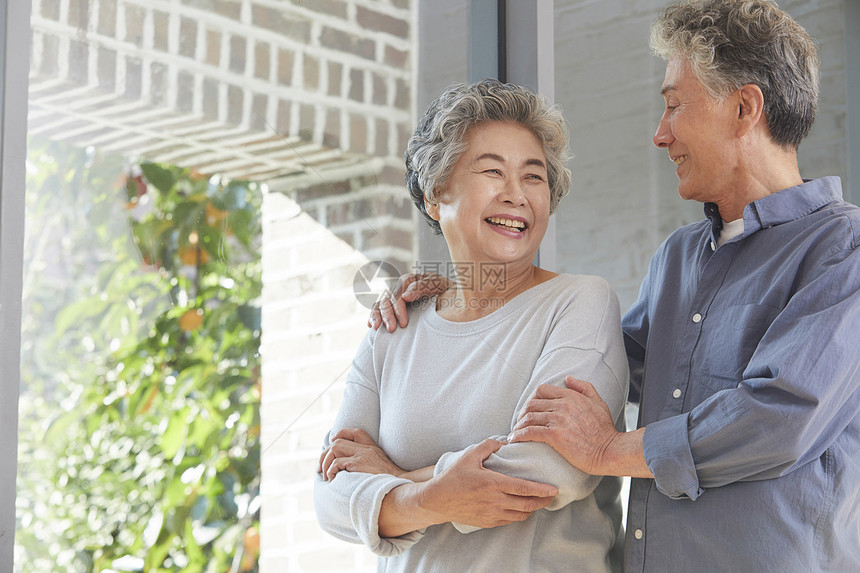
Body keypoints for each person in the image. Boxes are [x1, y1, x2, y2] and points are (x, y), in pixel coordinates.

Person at [371, 1, 860, 571]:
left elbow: (780, 419)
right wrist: (463, 298)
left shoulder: (842, 250)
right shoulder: (681, 258)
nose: (660, 134)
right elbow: (584, 367)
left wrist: (607, 450)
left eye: (674, 105)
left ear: (745, 108)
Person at [314, 79, 630, 572]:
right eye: (492, 171)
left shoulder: (578, 302)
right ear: (436, 194)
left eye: (534, 177)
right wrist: (434, 497)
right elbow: (331, 495)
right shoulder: (396, 325)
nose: (517, 195)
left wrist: (393, 483)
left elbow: (550, 468)